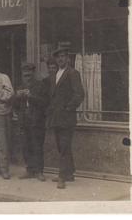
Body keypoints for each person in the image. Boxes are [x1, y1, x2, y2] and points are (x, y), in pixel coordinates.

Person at [45, 47, 85, 189]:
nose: (61, 59)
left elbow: (79, 94)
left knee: (64, 146)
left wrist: (68, 108)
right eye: (58, 57)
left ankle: (62, 176)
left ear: (68, 58)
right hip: (56, 117)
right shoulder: (55, 74)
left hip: (67, 117)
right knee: (62, 146)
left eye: (63, 56)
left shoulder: (73, 73)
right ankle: (70, 173)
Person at [13, 63, 49, 181]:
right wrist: (17, 97)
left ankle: (39, 171)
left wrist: (31, 96)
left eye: (29, 74)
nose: (27, 76)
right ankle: (29, 170)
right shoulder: (20, 87)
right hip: (24, 121)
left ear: (33, 73)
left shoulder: (40, 85)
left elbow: (44, 103)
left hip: (36, 121)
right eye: (25, 74)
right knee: (25, 146)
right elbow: (15, 106)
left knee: (37, 146)